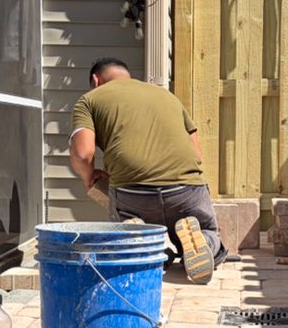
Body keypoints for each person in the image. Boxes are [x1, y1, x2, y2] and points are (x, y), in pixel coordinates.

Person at [68, 57, 228, 283]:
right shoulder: (166, 96)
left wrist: (89, 176)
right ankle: (203, 239)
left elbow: (82, 154)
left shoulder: (88, 100)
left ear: (95, 80)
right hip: (186, 190)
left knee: (129, 237)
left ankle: (146, 244)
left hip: (133, 195)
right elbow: (198, 156)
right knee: (208, 233)